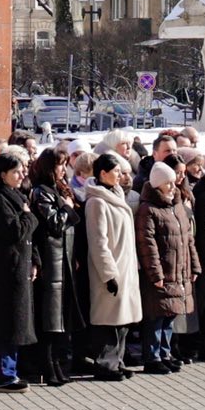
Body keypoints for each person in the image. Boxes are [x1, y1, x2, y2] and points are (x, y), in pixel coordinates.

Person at [0, 149, 38, 391]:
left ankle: (10, 371)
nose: (21, 174)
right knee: (7, 323)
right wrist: (29, 218)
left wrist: (35, 260)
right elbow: (13, 231)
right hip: (6, 270)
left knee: (16, 324)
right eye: (15, 171)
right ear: (3, 174)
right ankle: (3, 374)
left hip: (20, 266)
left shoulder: (17, 195)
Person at [81, 153, 140, 381]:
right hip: (110, 269)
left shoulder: (116, 196)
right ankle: (105, 364)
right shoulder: (97, 201)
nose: (121, 176)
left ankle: (119, 360)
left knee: (122, 320)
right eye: (116, 171)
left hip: (125, 267)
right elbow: (99, 241)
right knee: (108, 321)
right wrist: (108, 273)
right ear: (102, 173)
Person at [134, 162, 196, 373]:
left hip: (178, 270)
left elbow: (188, 240)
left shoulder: (177, 206)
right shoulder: (148, 209)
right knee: (156, 316)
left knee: (170, 314)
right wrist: (155, 272)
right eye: (167, 183)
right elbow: (147, 244)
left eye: (173, 182)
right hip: (162, 271)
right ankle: (152, 357)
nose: (172, 186)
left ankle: (165, 353)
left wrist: (194, 266)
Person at [27, 149, 83, 383]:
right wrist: (68, 207)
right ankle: (47, 366)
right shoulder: (41, 192)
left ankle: (58, 364)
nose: (63, 169)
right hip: (51, 261)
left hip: (64, 260)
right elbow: (54, 224)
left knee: (62, 317)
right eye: (59, 165)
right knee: (50, 318)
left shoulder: (58, 189)